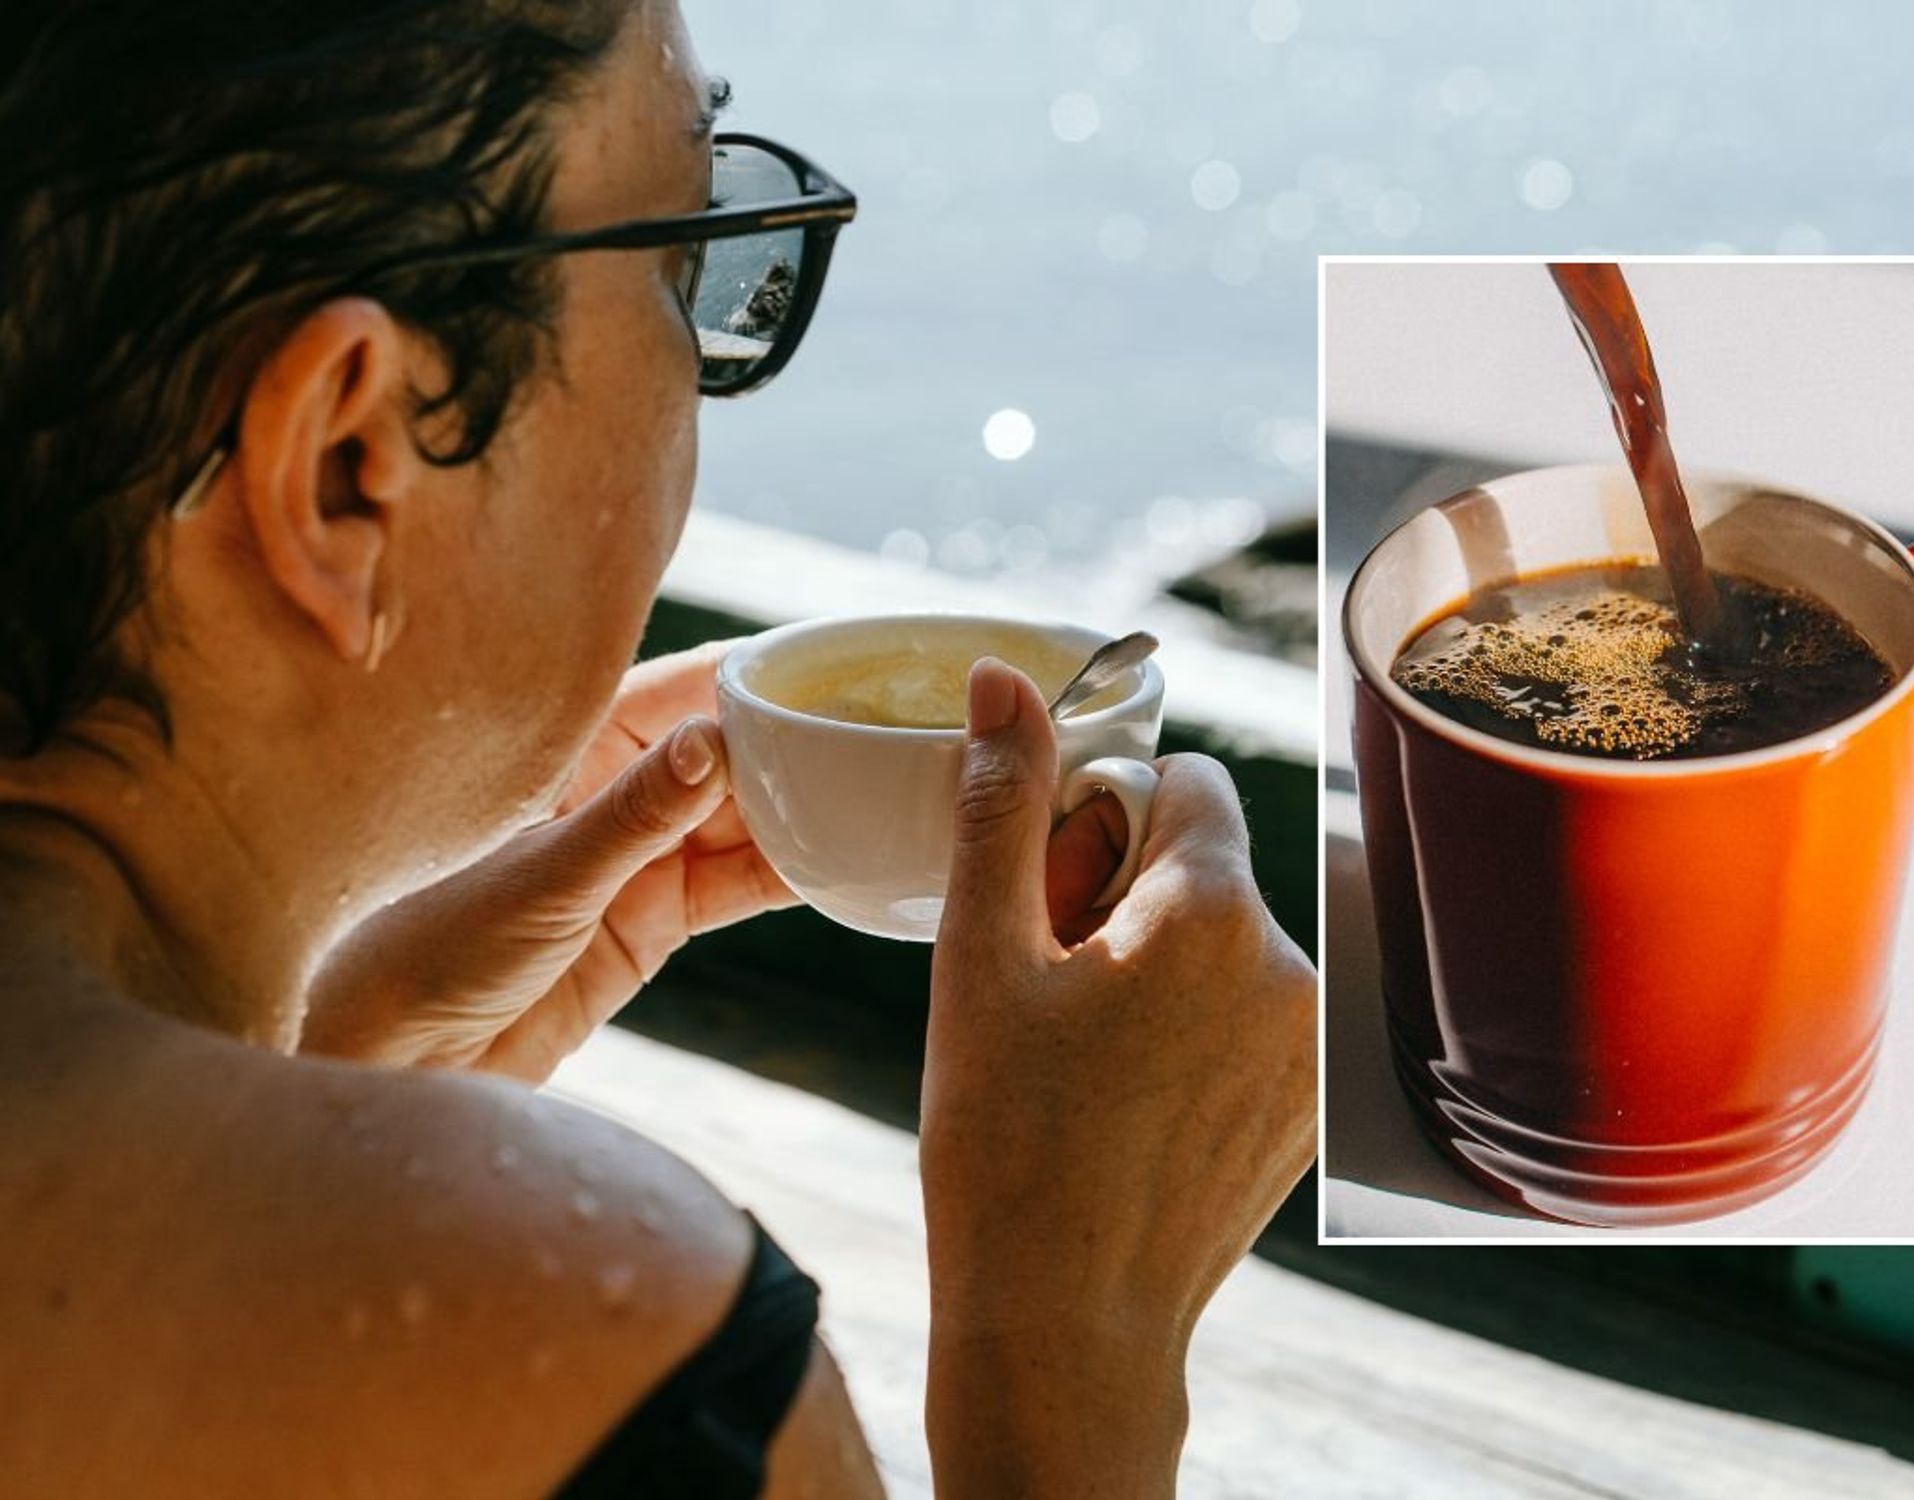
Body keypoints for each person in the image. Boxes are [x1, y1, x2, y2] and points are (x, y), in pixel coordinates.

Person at [0, 1, 1318, 1494]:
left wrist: (313, 1078)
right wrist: (1074, 1343)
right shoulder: (571, 1349)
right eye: (686, 251)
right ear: (348, 466)